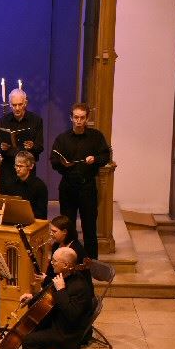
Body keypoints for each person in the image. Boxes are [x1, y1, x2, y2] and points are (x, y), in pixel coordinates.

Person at [18, 247, 94, 349]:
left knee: (30, 341)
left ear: (66, 265)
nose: (51, 263)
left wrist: (60, 291)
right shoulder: (62, 276)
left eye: (54, 261)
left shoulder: (79, 287)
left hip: (68, 333)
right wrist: (31, 297)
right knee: (27, 329)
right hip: (57, 323)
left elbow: (72, 315)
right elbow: (48, 295)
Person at [50, 103, 111, 259]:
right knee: (67, 228)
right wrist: (63, 165)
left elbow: (105, 156)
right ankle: (68, 261)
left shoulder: (96, 137)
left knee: (89, 227)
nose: (78, 121)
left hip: (87, 186)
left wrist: (95, 159)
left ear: (87, 118)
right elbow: (53, 160)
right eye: (76, 117)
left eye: (82, 118)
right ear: (71, 118)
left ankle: (91, 264)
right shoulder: (62, 139)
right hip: (68, 187)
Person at [0, 89, 44, 195]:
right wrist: (2, 147)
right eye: (14, 105)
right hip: (9, 168)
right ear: (10, 105)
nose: (17, 108)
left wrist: (32, 146)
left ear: (25, 103)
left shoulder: (36, 120)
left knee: (27, 202)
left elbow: (40, 147)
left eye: (20, 104)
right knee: (7, 203)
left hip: (27, 169)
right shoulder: (3, 121)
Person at [5, 151, 48, 219]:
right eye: (16, 165)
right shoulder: (11, 184)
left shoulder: (39, 186)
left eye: (21, 166)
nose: (18, 169)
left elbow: (41, 213)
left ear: (31, 166)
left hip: (33, 222)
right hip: (14, 221)